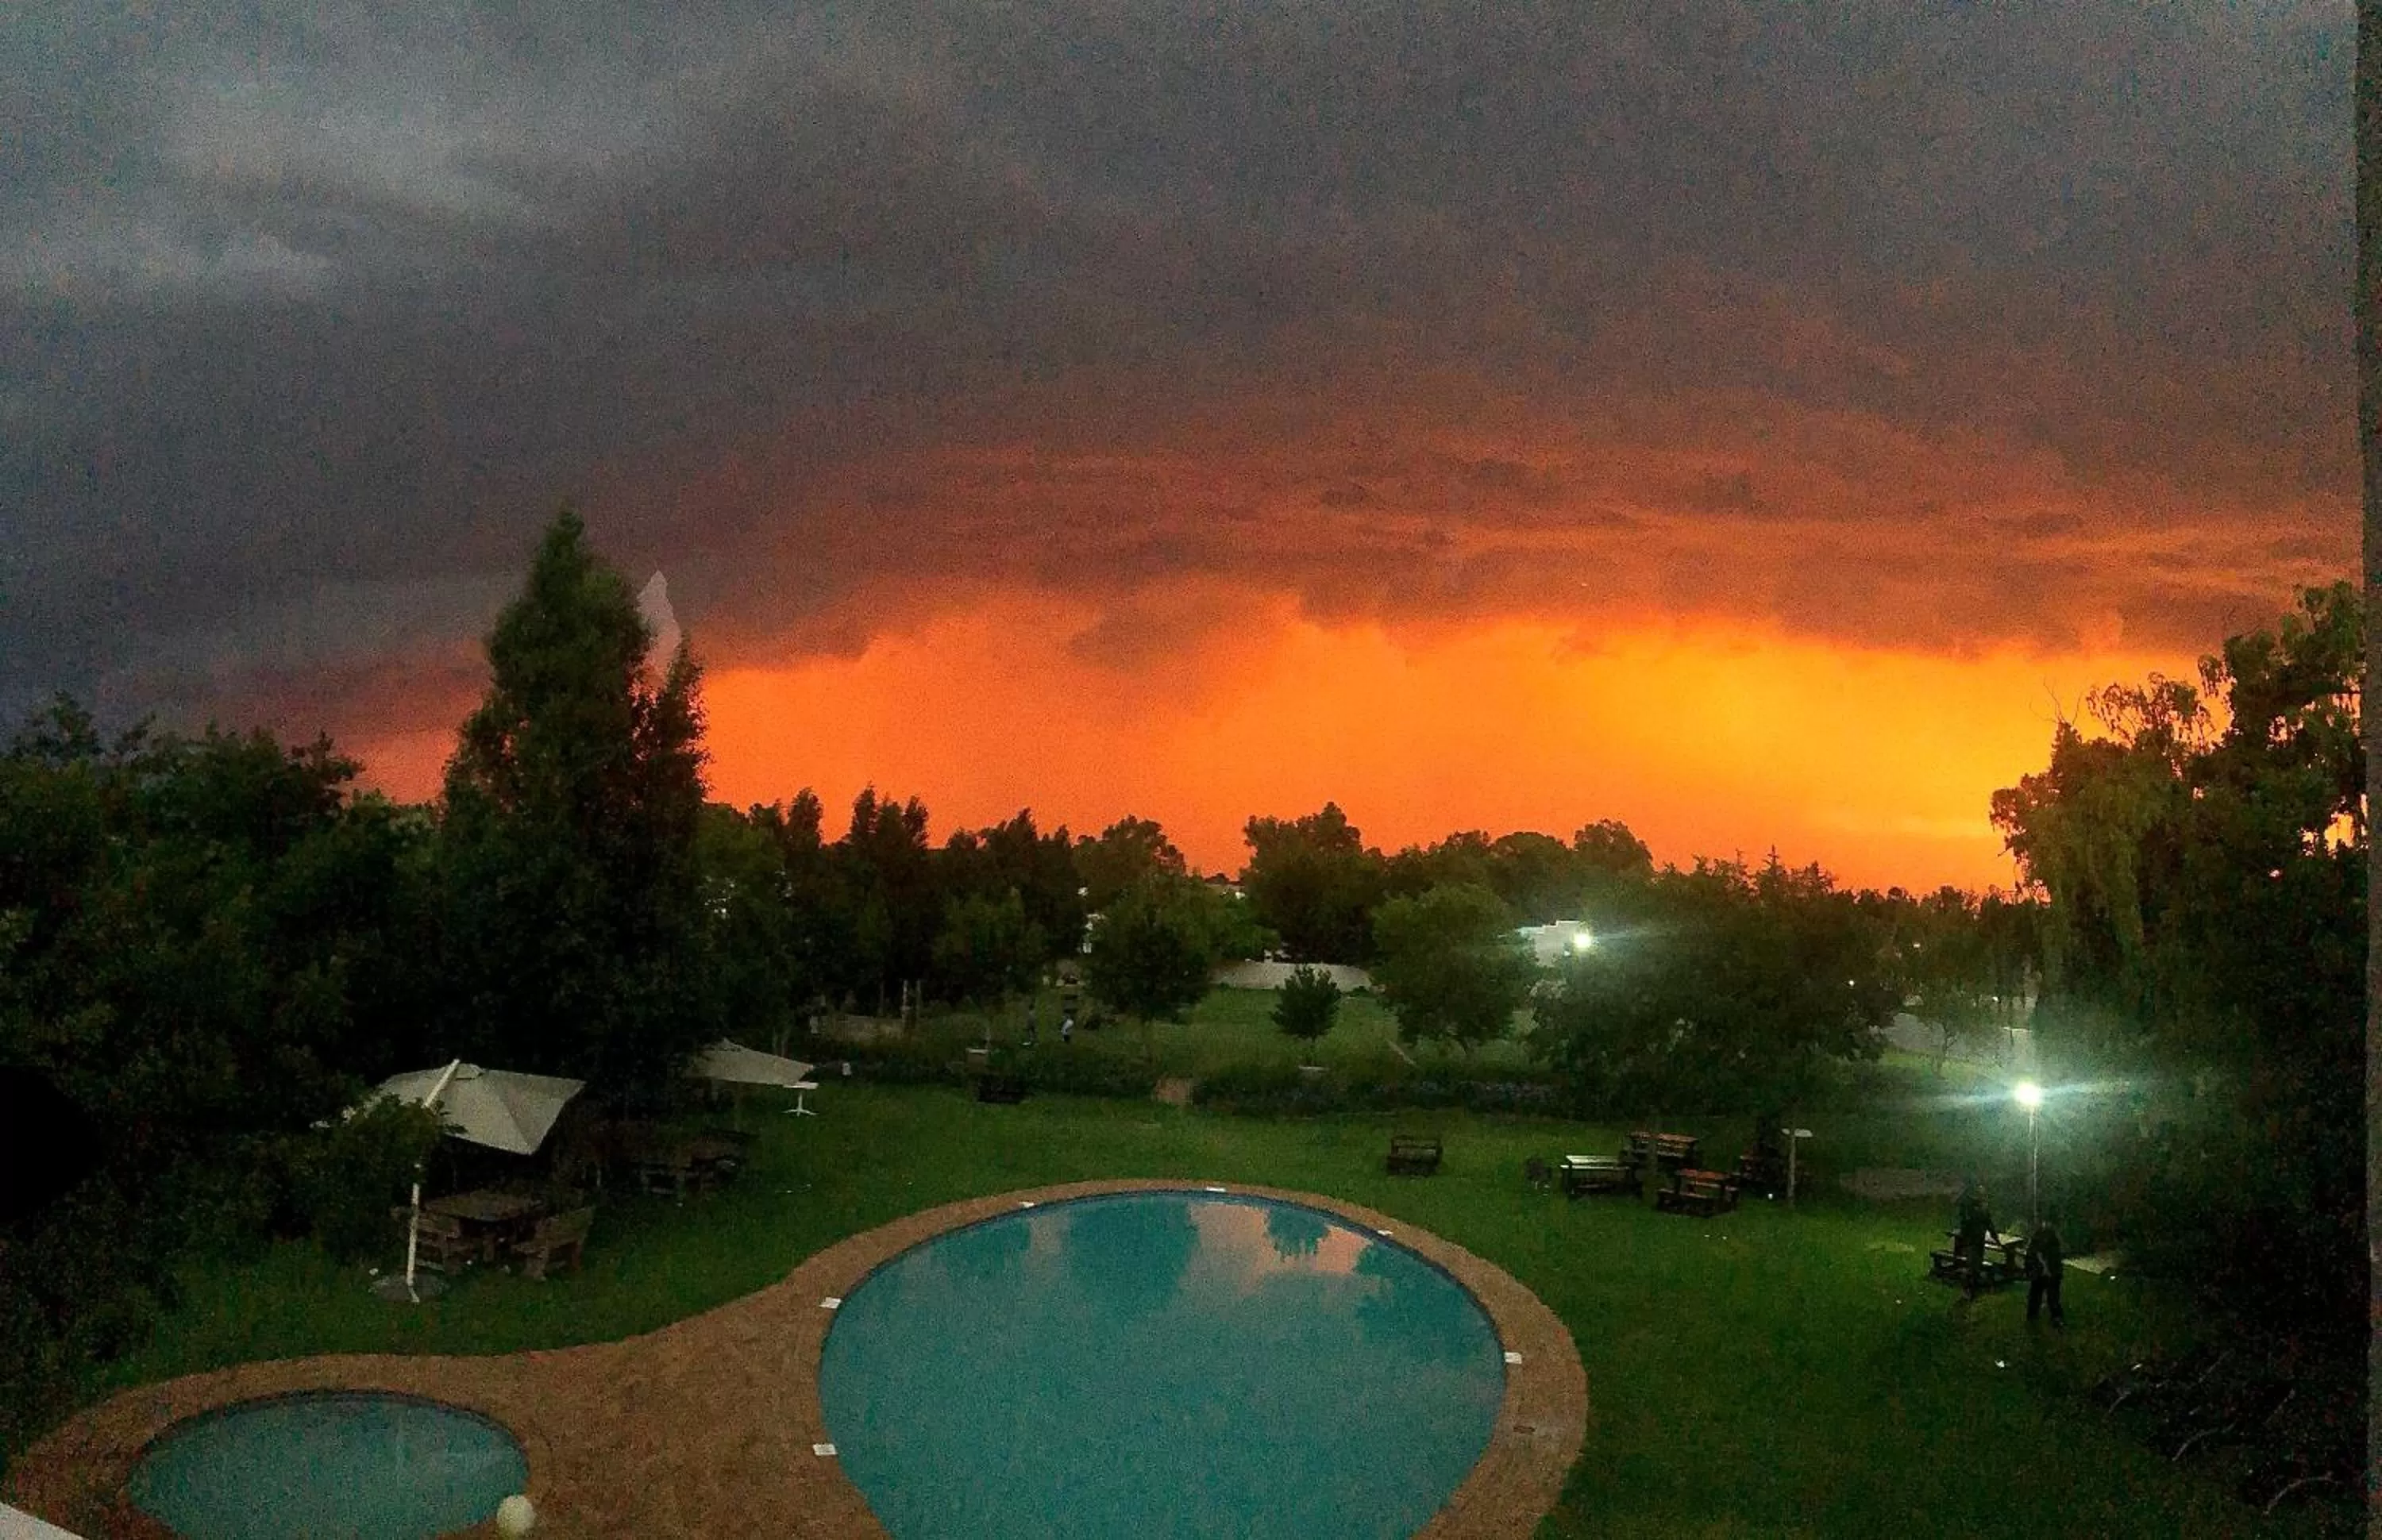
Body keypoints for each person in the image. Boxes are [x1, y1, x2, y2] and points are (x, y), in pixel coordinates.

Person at [1954, 1176, 1998, 1301]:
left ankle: (1972, 1290)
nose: (1982, 1196)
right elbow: (1966, 1221)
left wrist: (1994, 1235)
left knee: (1976, 1266)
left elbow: (1989, 1223)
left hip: (1979, 1240)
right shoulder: (1969, 1206)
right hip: (1971, 1240)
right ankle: (1968, 1289)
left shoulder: (1982, 1208)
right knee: (1972, 1266)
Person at [2025, 1211, 2066, 1326]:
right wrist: (2045, 1268)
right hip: (2043, 1269)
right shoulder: (2044, 1234)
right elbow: (2038, 1253)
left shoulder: (2047, 1234)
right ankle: (2048, 1316)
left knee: (2048, 1294)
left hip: (2049, 1268)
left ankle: (2049, 1316)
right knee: (2043, 1293)